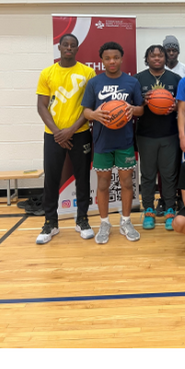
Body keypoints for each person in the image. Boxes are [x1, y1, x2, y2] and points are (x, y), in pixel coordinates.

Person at [80, 41, 146, 243]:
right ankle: (104, 223)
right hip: (102, 141)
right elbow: (86, 111)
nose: (112, 61)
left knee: (127, 183)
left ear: (121, 58)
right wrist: (95, 115)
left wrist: (131, 110)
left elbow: (141, 109)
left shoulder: (131, 82)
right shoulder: (94, 83)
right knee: (103, 184)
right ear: (102, 60)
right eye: (107, 58)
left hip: (124, 141)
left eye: (115, 57)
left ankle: (125, 221)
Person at [34, 33, 97, 243]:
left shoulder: (88, 72)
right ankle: (50, 223)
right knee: (51, 178)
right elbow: (41, 105)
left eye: (73, 45)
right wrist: (58, 133)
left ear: (77, 49)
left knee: (83, 178)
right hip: (53, 135)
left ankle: (82, 220)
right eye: (65, 44)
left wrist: (70, 131)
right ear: (59, 47)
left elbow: (89, 106)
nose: (69, 48)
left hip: (80, 133)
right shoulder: (47, 73)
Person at [135, 44, 182, 231]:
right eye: (153, 56)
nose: (157, 58)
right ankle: (148, 210)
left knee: (169, 174)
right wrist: (143, 102)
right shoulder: (138, 79)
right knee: (147, 175)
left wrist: (176, 106)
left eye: (160, 55)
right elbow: (131, 107)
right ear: (147, 59)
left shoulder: (175, 79)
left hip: (170, 133)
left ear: (165, 58)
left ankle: (170, 209)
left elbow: (183, 104)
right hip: (146, 134)